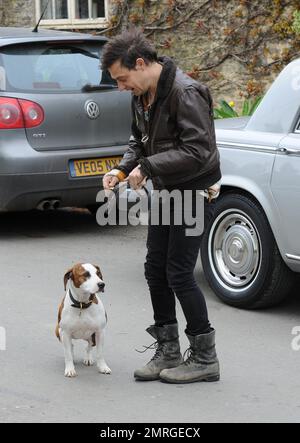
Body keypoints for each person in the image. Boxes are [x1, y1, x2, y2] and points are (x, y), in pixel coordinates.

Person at [101, 28, 221, 384]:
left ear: (140, 63)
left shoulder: (186, 92)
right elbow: (139, 140)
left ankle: (205, 358)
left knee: (179, 274)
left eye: (123, 79)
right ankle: (167, 349)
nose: (122, 87)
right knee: (155, 270)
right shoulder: (141, 96)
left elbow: (198, 151)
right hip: (168, 192)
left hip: (194, 191)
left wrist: (149, 167)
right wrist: (122, 168)